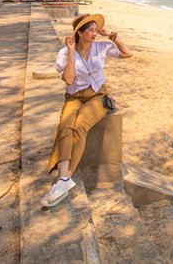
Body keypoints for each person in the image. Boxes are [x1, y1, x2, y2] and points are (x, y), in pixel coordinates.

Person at [40, 13, 132, 207]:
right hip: (74, 96)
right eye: (90, 30)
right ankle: (63, 179)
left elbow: (127, 53)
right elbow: (68, 80)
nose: (94, 33)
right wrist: (72, 52)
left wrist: (113, 37)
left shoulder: (101, 47)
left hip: (97, 96)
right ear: (79, 33)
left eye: (95, 29)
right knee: (65, 125)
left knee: (80, 125)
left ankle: (64, 178)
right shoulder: (65, 53)